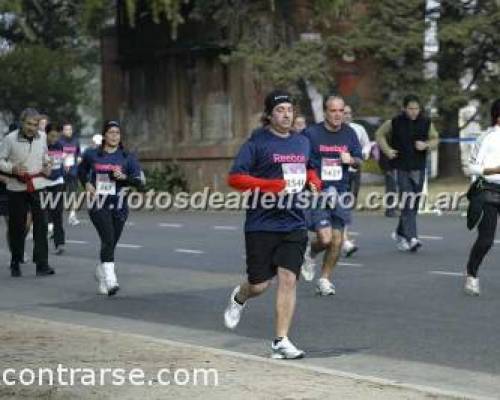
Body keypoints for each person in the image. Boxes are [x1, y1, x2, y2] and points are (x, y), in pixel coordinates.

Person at [223, 90, 321, 359]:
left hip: (294, 221)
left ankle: (281, 340)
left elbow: (310, 168)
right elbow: (236, 178)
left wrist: (314, 182)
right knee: (259, 285)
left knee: (288, 279)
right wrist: (271, 187)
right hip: (261, 223)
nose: (286, 114)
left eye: (290, 110)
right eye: (280, 110)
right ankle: (239, 297)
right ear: (269, 115)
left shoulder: (302, 142)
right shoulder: (257, 143)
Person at [300, 95, 362, 295]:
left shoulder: (350, 133)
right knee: (325, 240)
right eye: (333, 111)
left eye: (341, 111)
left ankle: (324, 279)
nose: (337, 115)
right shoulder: (311, 134)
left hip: (341, 192)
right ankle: (310, 252)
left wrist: (351, 159)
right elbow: (300, 160)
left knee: (336, 241)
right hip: (318, 193)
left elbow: (360, 160)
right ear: (325, 112)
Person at [78, 120, 144, 296]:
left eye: (117, 133)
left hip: (120, 205)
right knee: (107, 237)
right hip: (98, 203)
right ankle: (111, 279)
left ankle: (101, 272)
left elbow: (140, 183)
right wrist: (86, 184)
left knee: (111, 242)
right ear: (104, 135)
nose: (114, 136)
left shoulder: (127, 157)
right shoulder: (92, 154)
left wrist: (123, 177)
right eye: (111, 132)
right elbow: (81, 171)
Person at [375, 95, 439, 252]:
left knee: (414, 204)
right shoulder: (394, 122)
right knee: (408, 201)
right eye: (410, 108)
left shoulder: (426, 122)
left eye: (416, 108)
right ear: (403, 108)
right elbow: (379, 135)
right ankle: (412, 238)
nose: (413, 112)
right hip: (401, 167)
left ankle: (399, 233)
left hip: (418, 167)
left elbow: (435, 139)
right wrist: (387, 150)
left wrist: (426, 145)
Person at [0, 108, 54, 277]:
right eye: (29, 124)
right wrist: (13, 168)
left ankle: (42, 264)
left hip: (38, 185)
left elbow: (45, 156)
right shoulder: (10, 139)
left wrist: (48, 166)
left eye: (35, 124)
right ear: (22, 122)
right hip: (17, 187)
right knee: (18, 227)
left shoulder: (43, 137)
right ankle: (16, 262)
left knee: (41, 225)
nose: (32, 128)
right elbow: (0, 160)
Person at [464, 99, 500, 296]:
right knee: (486, 240)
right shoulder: (486, 138)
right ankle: (471, 273)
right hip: (489, 191)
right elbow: (472, 167)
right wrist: (493, 169)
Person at [342, 104, 372, 257]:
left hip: (354, 171)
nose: (347, 115)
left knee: (349, 204)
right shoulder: (333, 131)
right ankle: (344, 240)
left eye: (349, 113)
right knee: (341, 205)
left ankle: (342, 237)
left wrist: (364, 153)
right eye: (344, 112)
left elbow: (366, 144)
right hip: (338, 174)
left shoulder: (358, 129)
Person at [45, 123, 66, 254]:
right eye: (52, 136)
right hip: (43, 183)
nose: (54, 139)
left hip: (57, 182)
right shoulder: (41, 146)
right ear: (46, 134)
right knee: (43, 214)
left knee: (57, 213)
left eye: (57, 136)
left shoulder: (59, 146)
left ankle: (60, 243)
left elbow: (60, 164)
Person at [59, 122, 81, 226]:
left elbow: (78, 154)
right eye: (66, 129)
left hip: (73, 171)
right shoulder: (59, 142)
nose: (68, 131)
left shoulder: (76, 141)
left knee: (73, 193)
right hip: (61, 172)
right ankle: (56, 215)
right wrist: (63, 160)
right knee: (59, 194)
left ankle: (72, 215)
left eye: (70, 129)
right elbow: (54, 155)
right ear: (63, 131)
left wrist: (79, 159)